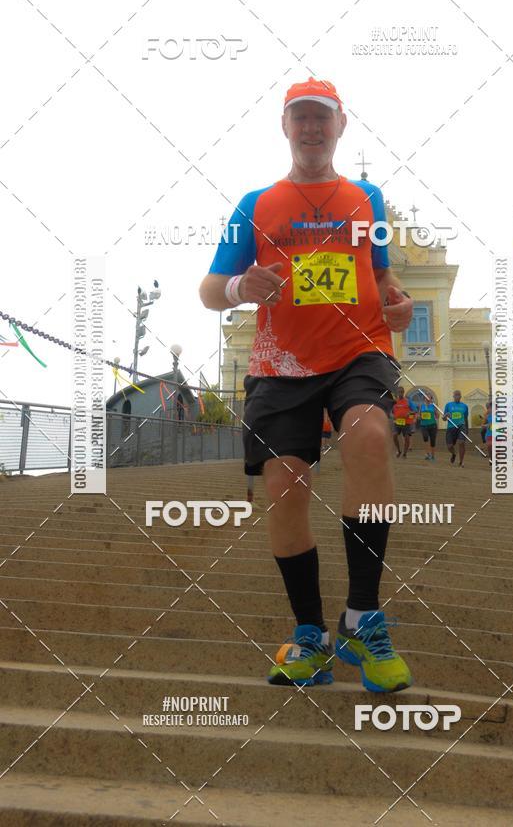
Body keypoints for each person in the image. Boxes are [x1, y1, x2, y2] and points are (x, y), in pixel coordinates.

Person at [199, 77, 414, 693]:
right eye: (302, 118)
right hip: (281, 363)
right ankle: (310, 635)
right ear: (285, 127)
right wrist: (243, 287)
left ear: (341, 126)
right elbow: (211, 291)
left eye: (323, 118)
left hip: (359, 349)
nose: (313, 129)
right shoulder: (255, 205)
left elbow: (380, 273)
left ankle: (362, 618)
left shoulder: (366, 198)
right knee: (286, 486)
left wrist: (395, 299)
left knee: (370, 434)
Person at [442, 389, 469, 467]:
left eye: (458, 395)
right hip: (451, 427)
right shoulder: (448, 405)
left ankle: (461, 461)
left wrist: (466, 430)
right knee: (449, 446)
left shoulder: (465, 406)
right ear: (453, 396)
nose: (457, 396)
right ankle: (454, 454)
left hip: (461, 426)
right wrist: (446, 415)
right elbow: (443, 418)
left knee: (461, 442)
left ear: (460, 396)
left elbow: (465, 418)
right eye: (456, 395)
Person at [391, 387, 417, 458]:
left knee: (407, 438)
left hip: (406, 423)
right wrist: (393, 416)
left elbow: (415, 411)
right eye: (399, 392)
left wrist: (409, 413)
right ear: (397, 393)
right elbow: (392, 412)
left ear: (403, 392)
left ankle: (405, 453)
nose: (400, 393)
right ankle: (399, 450)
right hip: (397, 422)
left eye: (402, 392)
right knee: (394, 435)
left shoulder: (408, 401)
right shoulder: (394, 402)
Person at [417, 392, 439, 461]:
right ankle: (427, 454)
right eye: (426, 397)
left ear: (431, 398)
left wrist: (436, 410)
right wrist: (420, 417)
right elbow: (418, 415)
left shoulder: (433, 406)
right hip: (424, 425)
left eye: (429, 397)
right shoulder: (421, 406)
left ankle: (432, 456)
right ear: (424, 398)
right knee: (425, 437)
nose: (427, 398)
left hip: (432, 425)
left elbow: (437, 416)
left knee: (433, 441)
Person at [484, 401, 493, 465]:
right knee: (489, 446)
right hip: (489, 434)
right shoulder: (487, 416)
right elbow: (484, 424)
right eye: (489, 408)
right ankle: (491, 458)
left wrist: (488, 425)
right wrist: (484, 425)